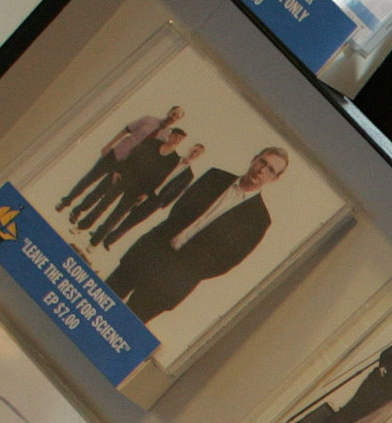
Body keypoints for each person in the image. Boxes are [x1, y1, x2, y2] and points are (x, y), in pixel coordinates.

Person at [108, 146, 291, 326]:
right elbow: (179, 209)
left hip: (174, 280)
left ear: (274, 179)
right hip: (149, 252)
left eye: (270, 170)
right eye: (262, 162)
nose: (261, 170)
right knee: (102, 299)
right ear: (254, 159)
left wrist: (189, 271)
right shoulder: (214, 177)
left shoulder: (259, 220)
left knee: (124, 328)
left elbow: (228, 262)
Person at [59, 104, 181, 211]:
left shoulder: (165, 138)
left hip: (126, 166)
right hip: (117, 153)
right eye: (173, 113)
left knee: (101, 191)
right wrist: (108, 146)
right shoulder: (148, 119)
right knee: (88, 179)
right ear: (169, 111)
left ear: (178, 120)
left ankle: (78, 210)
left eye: (177, 117)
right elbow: (125, 131)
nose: (173, 117)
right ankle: (66, 201)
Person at [73, 125, 185, 235]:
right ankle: (82, 226)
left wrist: (147, 193)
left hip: (139, 189)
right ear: (170, 135)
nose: (177, 139)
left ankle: (96, 240)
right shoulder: (153, 143)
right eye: (175, 136)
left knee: (117, 215)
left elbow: (161, 178)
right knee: (105, 202)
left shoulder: (174, 159)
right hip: (125, 176)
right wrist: (118, 170)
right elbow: (133, 155)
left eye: (180, 138)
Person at [93, 140, 203, 252]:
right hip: (143, 190)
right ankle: (100, 233)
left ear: (199, 157)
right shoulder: (172, 159)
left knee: (132, 221)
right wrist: (145, 190)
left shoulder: (189, 176)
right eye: (194, 150)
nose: (194, 153)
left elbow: (178, 192)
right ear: (190, 148)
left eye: (198, 153)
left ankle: (109, 240)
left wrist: (163, 205)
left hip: (156, 201)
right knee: (119, 212)